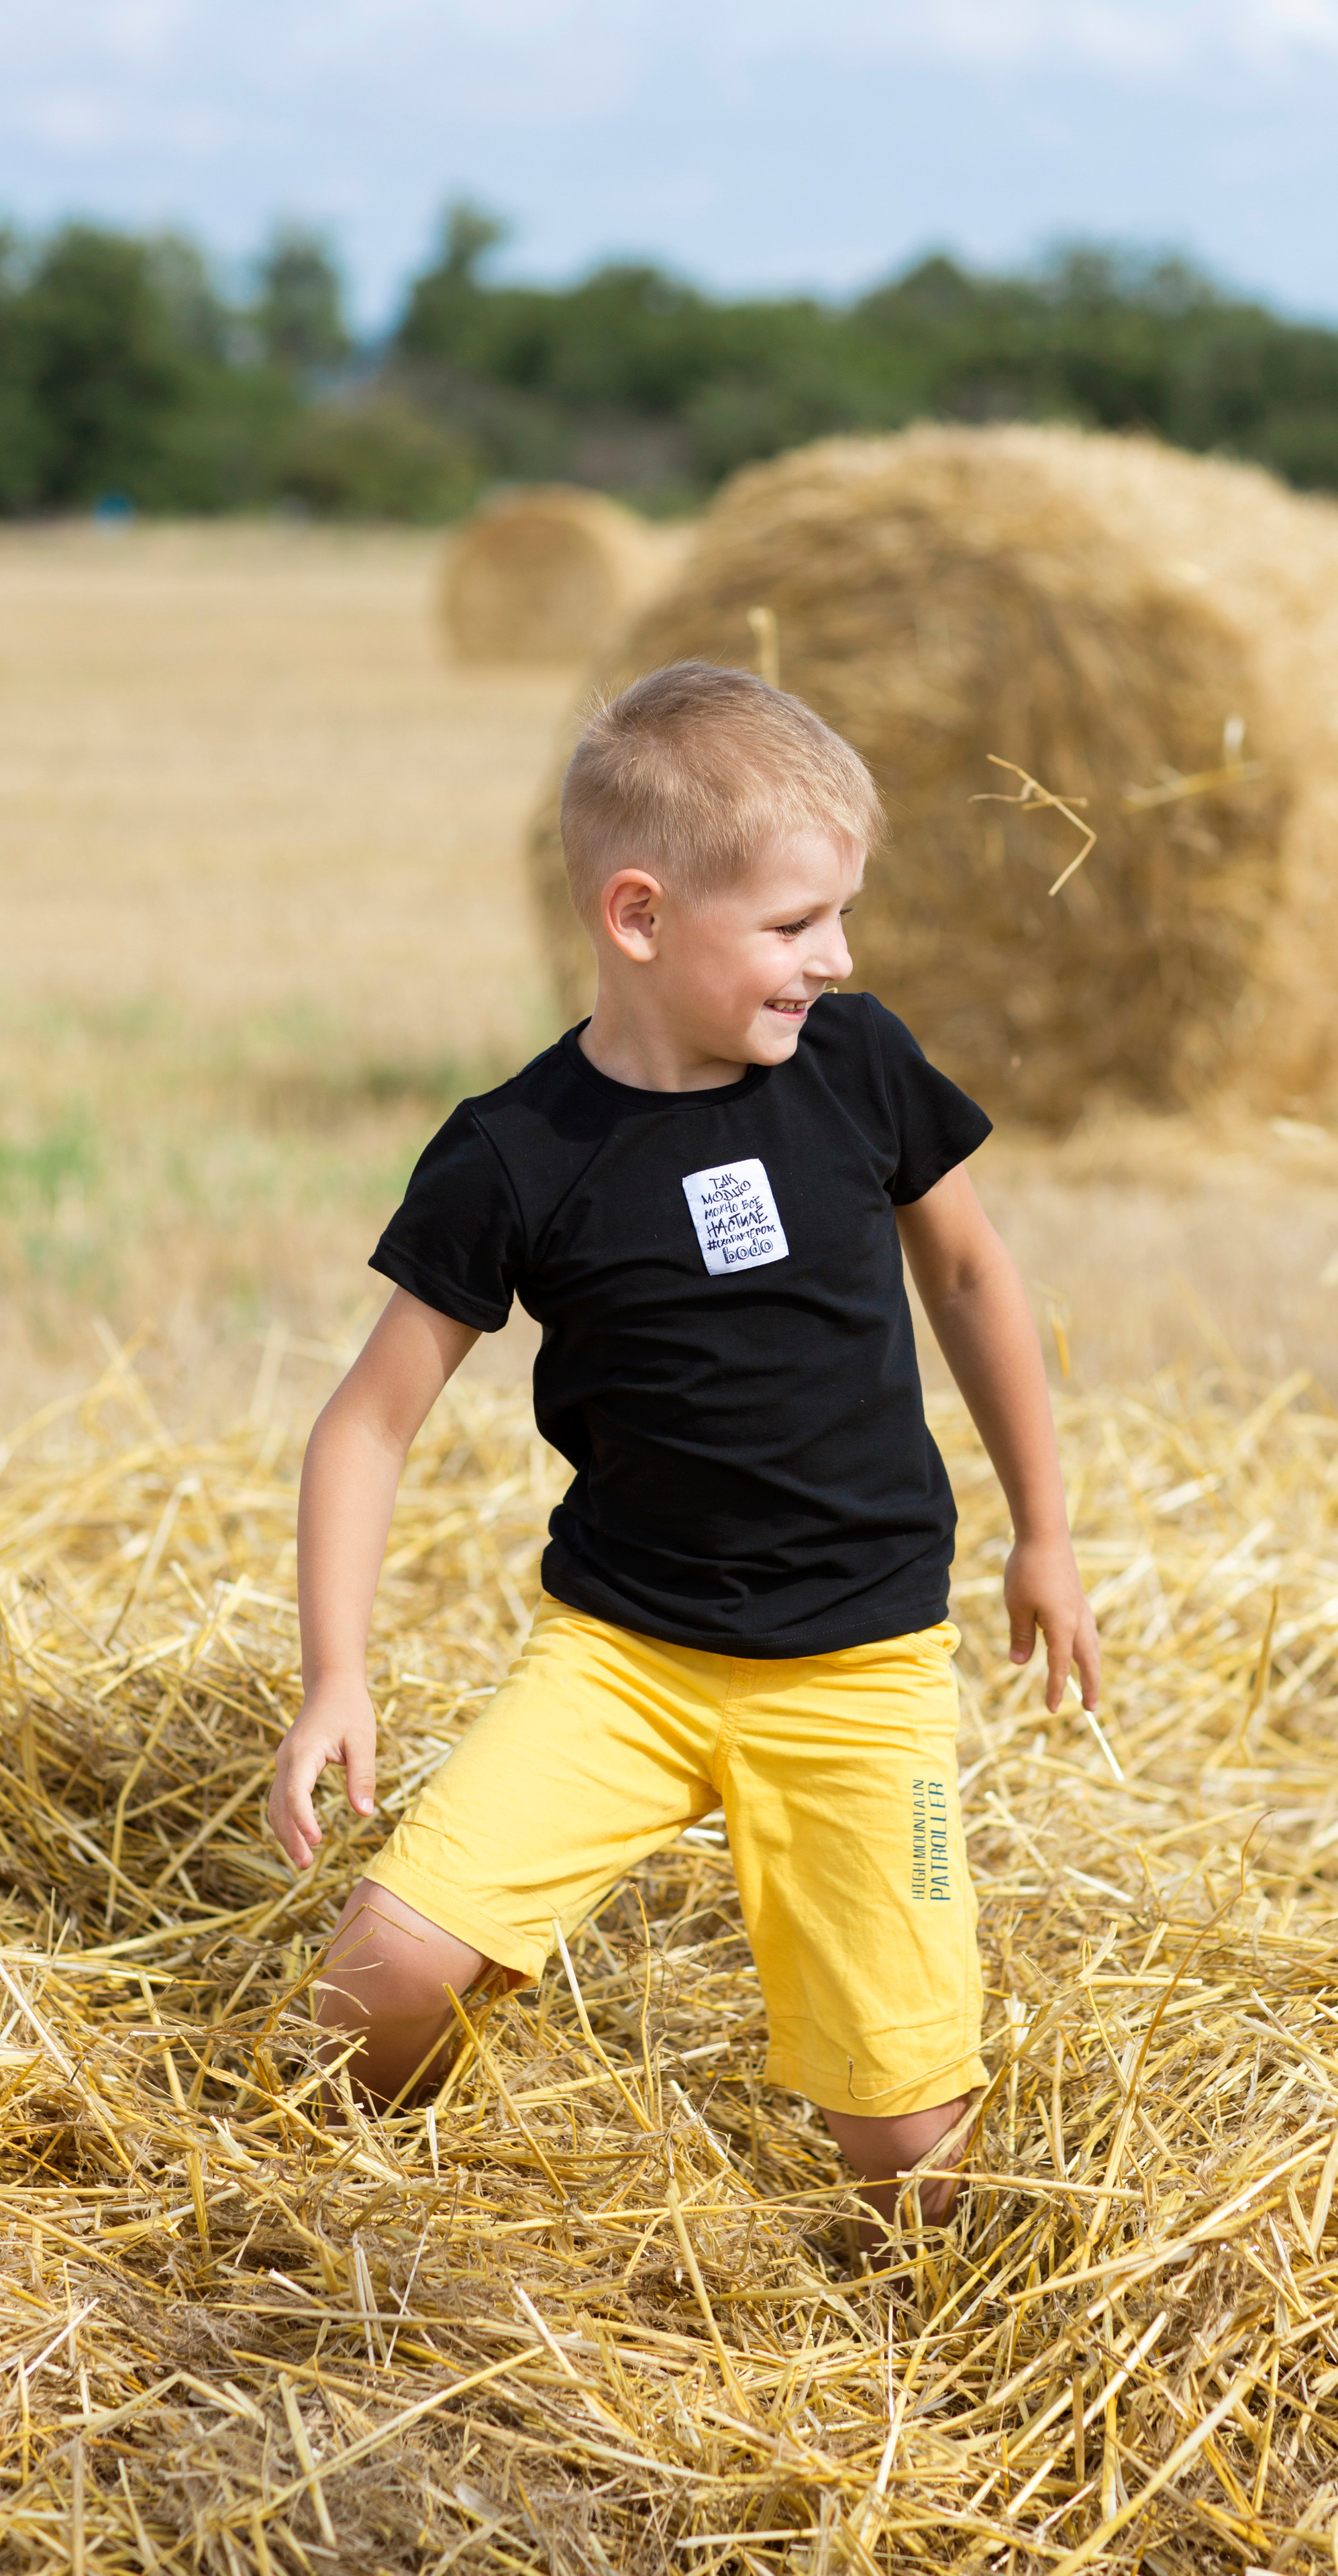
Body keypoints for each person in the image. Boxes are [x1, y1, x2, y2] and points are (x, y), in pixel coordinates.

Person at [267, 660, 1100, 2240]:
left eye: (840, 918)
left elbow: (976, 1276)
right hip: (622, 1660)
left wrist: (1039, 1530)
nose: (834, 959)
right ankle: (347, 2237)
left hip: (859, 1671)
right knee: (376, 1987)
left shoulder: (858, 1069)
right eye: (793, 928)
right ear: (637, 917)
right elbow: (367, 1422)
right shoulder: (515, 1153)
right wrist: (337, 1672)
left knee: (910, 2155)